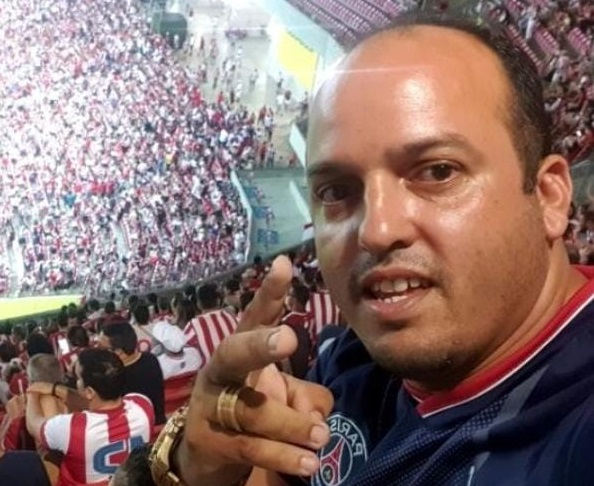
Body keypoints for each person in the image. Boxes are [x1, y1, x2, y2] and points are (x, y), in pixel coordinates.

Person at [145, 12, 594, 486]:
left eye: (437, 171)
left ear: (549, 196)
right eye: (337, 191)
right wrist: (202, 467)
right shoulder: (350, 361)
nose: (376, 230)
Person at [26, 349, 154, 486]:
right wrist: (56, 388)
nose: (76, 382)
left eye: (78, 378)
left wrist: (32, 392)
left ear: (89, 391)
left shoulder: (72, 428)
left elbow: (33, 425)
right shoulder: (143, 405)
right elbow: (93, 401)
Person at [100, 322, 166, 425]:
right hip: (160, 423)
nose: (99, 353)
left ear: (119, 351)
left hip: (137, 431)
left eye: (102, 349)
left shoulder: (114, 377)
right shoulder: (151, 359)